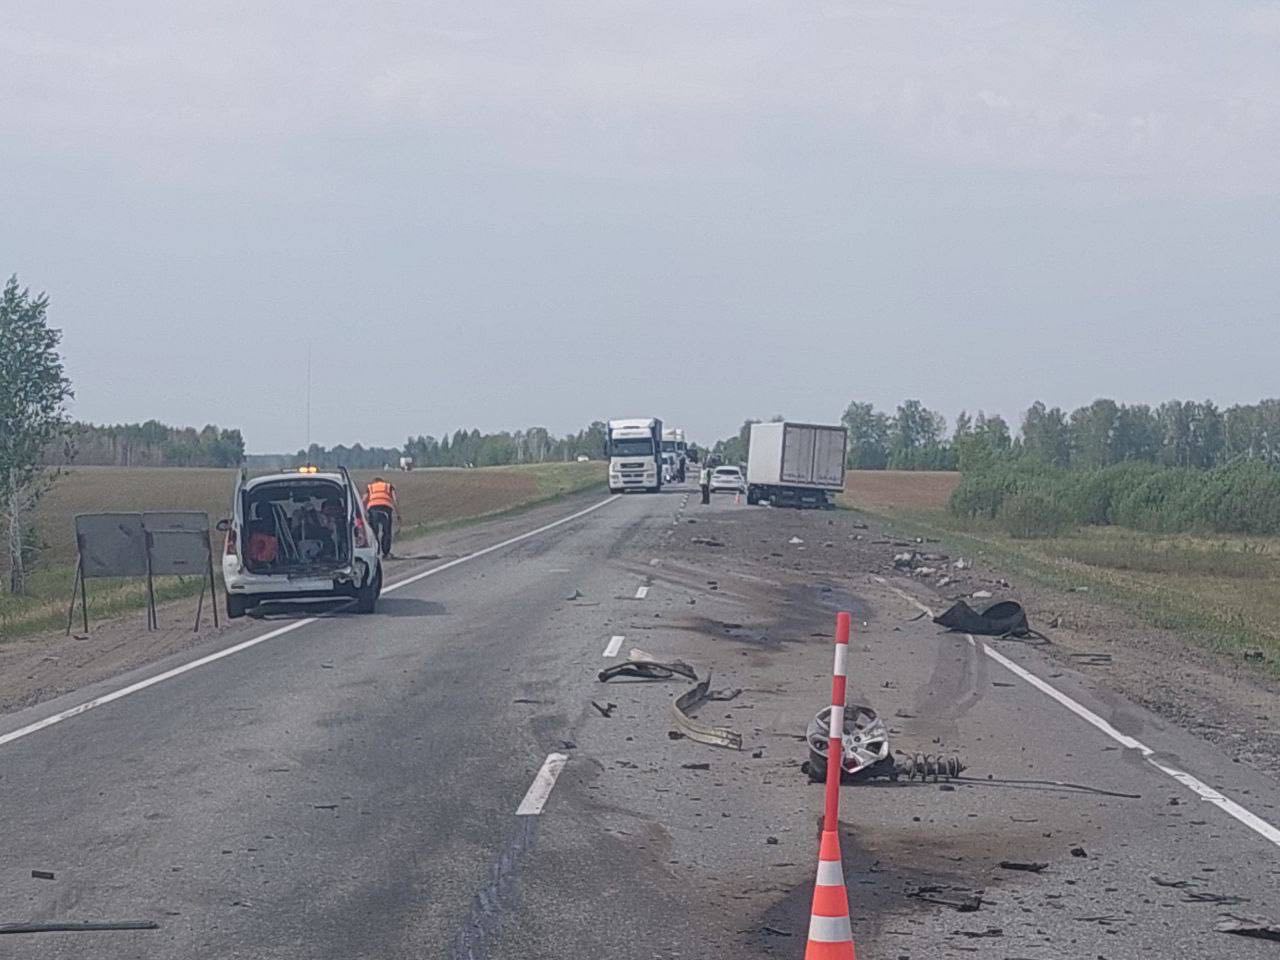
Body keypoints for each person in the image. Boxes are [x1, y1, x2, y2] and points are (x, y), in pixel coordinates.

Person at [364, 476, 400, 558]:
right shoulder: (388, 486)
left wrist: (362, 513)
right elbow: (395, 499)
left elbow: (364, 499)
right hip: (385, 509)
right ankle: (386, 552)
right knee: (387, 532)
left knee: (374, 532)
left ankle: (376, 552)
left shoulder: (370, 487)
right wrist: (398, 514)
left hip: (373, 509)